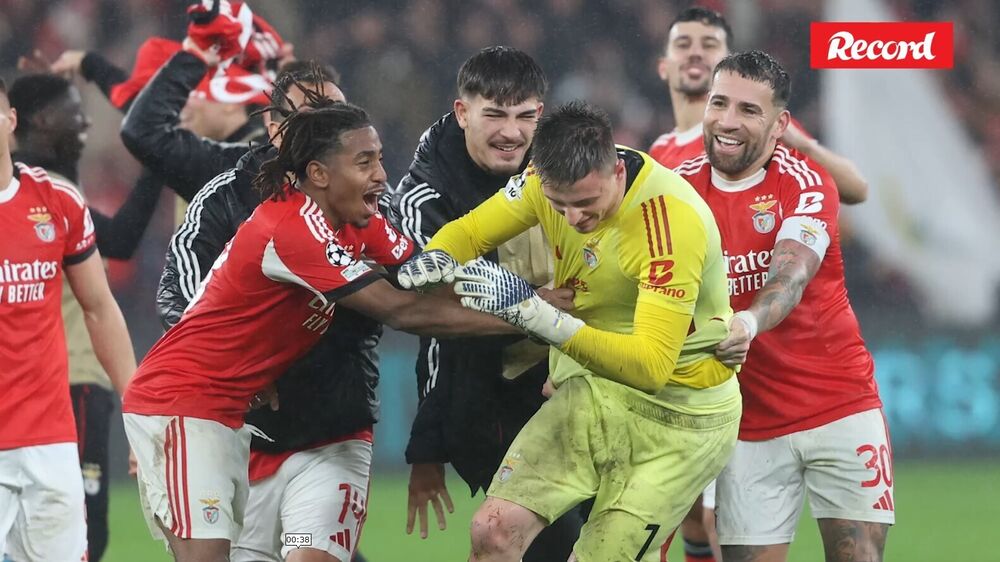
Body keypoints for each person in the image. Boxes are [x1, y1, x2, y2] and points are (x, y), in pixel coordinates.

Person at [121, 100, 518, 562]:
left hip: (231, 411)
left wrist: (529, 298)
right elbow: (403, 311)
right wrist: (527, 318)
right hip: (179, 404)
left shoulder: (356, 222)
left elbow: (428, 279)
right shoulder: (291, 228)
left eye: (380, 159)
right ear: (320, 173)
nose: (382, 175)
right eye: (364, 162)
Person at [397, 101, 742, 562]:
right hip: (595, 392)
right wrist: (440, 255)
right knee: (492, 531)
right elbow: (473, 230)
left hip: (681, 417)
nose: (573, 219)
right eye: (559, 207)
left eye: (585, 204)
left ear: (617, 172)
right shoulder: (542, 180)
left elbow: (650, 367)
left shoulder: (668, 222)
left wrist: (538, 318)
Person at [651, 9, 872, 559]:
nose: (728, 118)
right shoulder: (666, 180)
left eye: (749, 109)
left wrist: (748, 320)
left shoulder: (803, 178)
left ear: (780, 125)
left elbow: (791, 272)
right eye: (720, 104)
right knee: (698, 527)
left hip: (836, 400)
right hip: (737, 412)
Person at [159, 61, 380, 562]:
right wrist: (243, 367)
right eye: (313, 115)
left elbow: (398, 296)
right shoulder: (224, 200)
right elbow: (180, 299)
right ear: (273, 126)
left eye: (337, 115)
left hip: (331, 428)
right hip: (243, 439)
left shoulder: (363, 196)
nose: (329, 128)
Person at [382, 46, 583, 561]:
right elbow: (428, 317)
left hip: (579, 382)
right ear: (462, 112)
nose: (511, 133)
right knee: (548, 543)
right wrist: (531, 307)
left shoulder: (569, 163)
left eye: (525, 116)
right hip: (489, 400)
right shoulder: (424, 200)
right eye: (494, 114)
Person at [7, 72, 164, 562]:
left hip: (51, 442)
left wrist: (140, 412)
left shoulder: (57, 202)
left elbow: (100, 309)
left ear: (11, 122)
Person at [653, 7, 869, 205]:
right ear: (663, 67)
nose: (696, 53)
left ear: (728, 61)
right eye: (683, 44)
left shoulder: (763, 129)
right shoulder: (658, 154)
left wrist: (803, 146)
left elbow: (856, 190)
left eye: (709, 44)